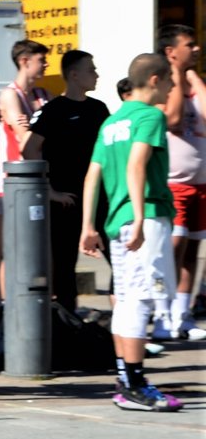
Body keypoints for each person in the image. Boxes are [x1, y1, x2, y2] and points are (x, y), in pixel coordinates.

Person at [80, 53, 185, 412]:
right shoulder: (149, 116)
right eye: (170, 81)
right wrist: (140, 217)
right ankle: (136, 384)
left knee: (126, 299)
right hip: (146, 217)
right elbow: (138, 163)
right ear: (155, 79)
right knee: (140, 300)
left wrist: (88, 226)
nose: (173, 88)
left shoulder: (111, 122)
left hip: (115, 222)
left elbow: (92, 175)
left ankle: (126, 380)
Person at [23, 51, 109, 314]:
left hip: (98, 199)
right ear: (74, 75)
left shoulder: (98, 109)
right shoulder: (52, 111)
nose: (96, 74)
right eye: (91, 69)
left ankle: (127, 328)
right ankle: (68, 323)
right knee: (64, 267)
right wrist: (49, 191)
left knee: (121, 260)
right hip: (66, 201)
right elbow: (29, 150)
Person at [155, 24, 206, 340]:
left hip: (200, 183)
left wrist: (193, 78)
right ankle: (162, 316)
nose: (197, 49)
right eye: (190, 45)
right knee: (169, 252)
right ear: (171, 51)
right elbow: (172, 120)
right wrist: (176, 75)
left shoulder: (191, 84)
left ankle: (181, 317)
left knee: (191, 252)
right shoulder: (163, 84)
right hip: (173, 183)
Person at [0, 39, 52, 184]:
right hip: (18, 177)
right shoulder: (10, 94)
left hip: (44, 174)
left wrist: (32, 126)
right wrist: (46, 129)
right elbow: (26, 139)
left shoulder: (45, 95)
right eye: (42, 60)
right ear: (25, 61)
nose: (46, 64)